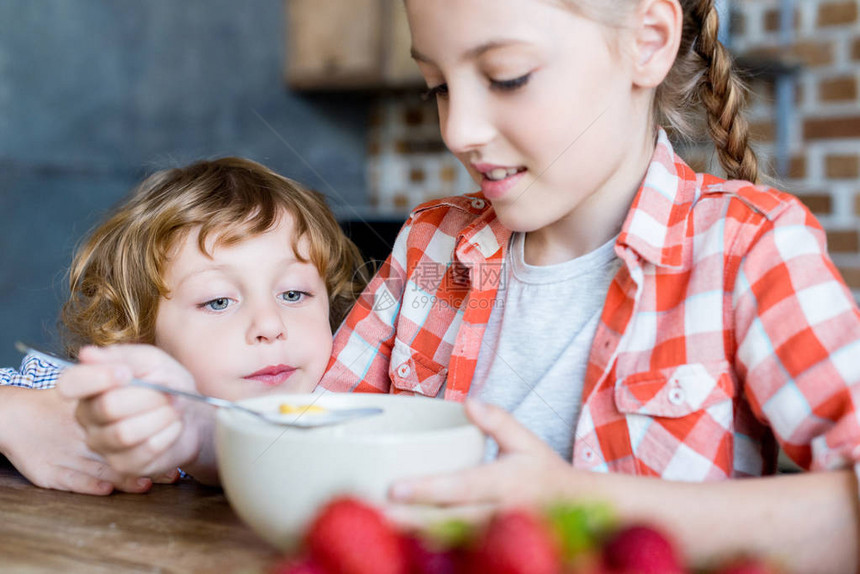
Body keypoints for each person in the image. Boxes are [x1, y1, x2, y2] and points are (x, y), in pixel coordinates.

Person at [58, 0, 860, 570]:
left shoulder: (749, 247)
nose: (458, 130)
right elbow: (308, 434)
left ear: (648, 41)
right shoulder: (429, 248)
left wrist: (583, 507)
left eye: (506, 76)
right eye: (440, 85)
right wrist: (183, 422)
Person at [2, 157, 366, 488]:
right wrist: (18, 415)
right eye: (219, 301)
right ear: (141, 337)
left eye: (293, 294)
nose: (270, 326)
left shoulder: (361, 402)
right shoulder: (106, 404)